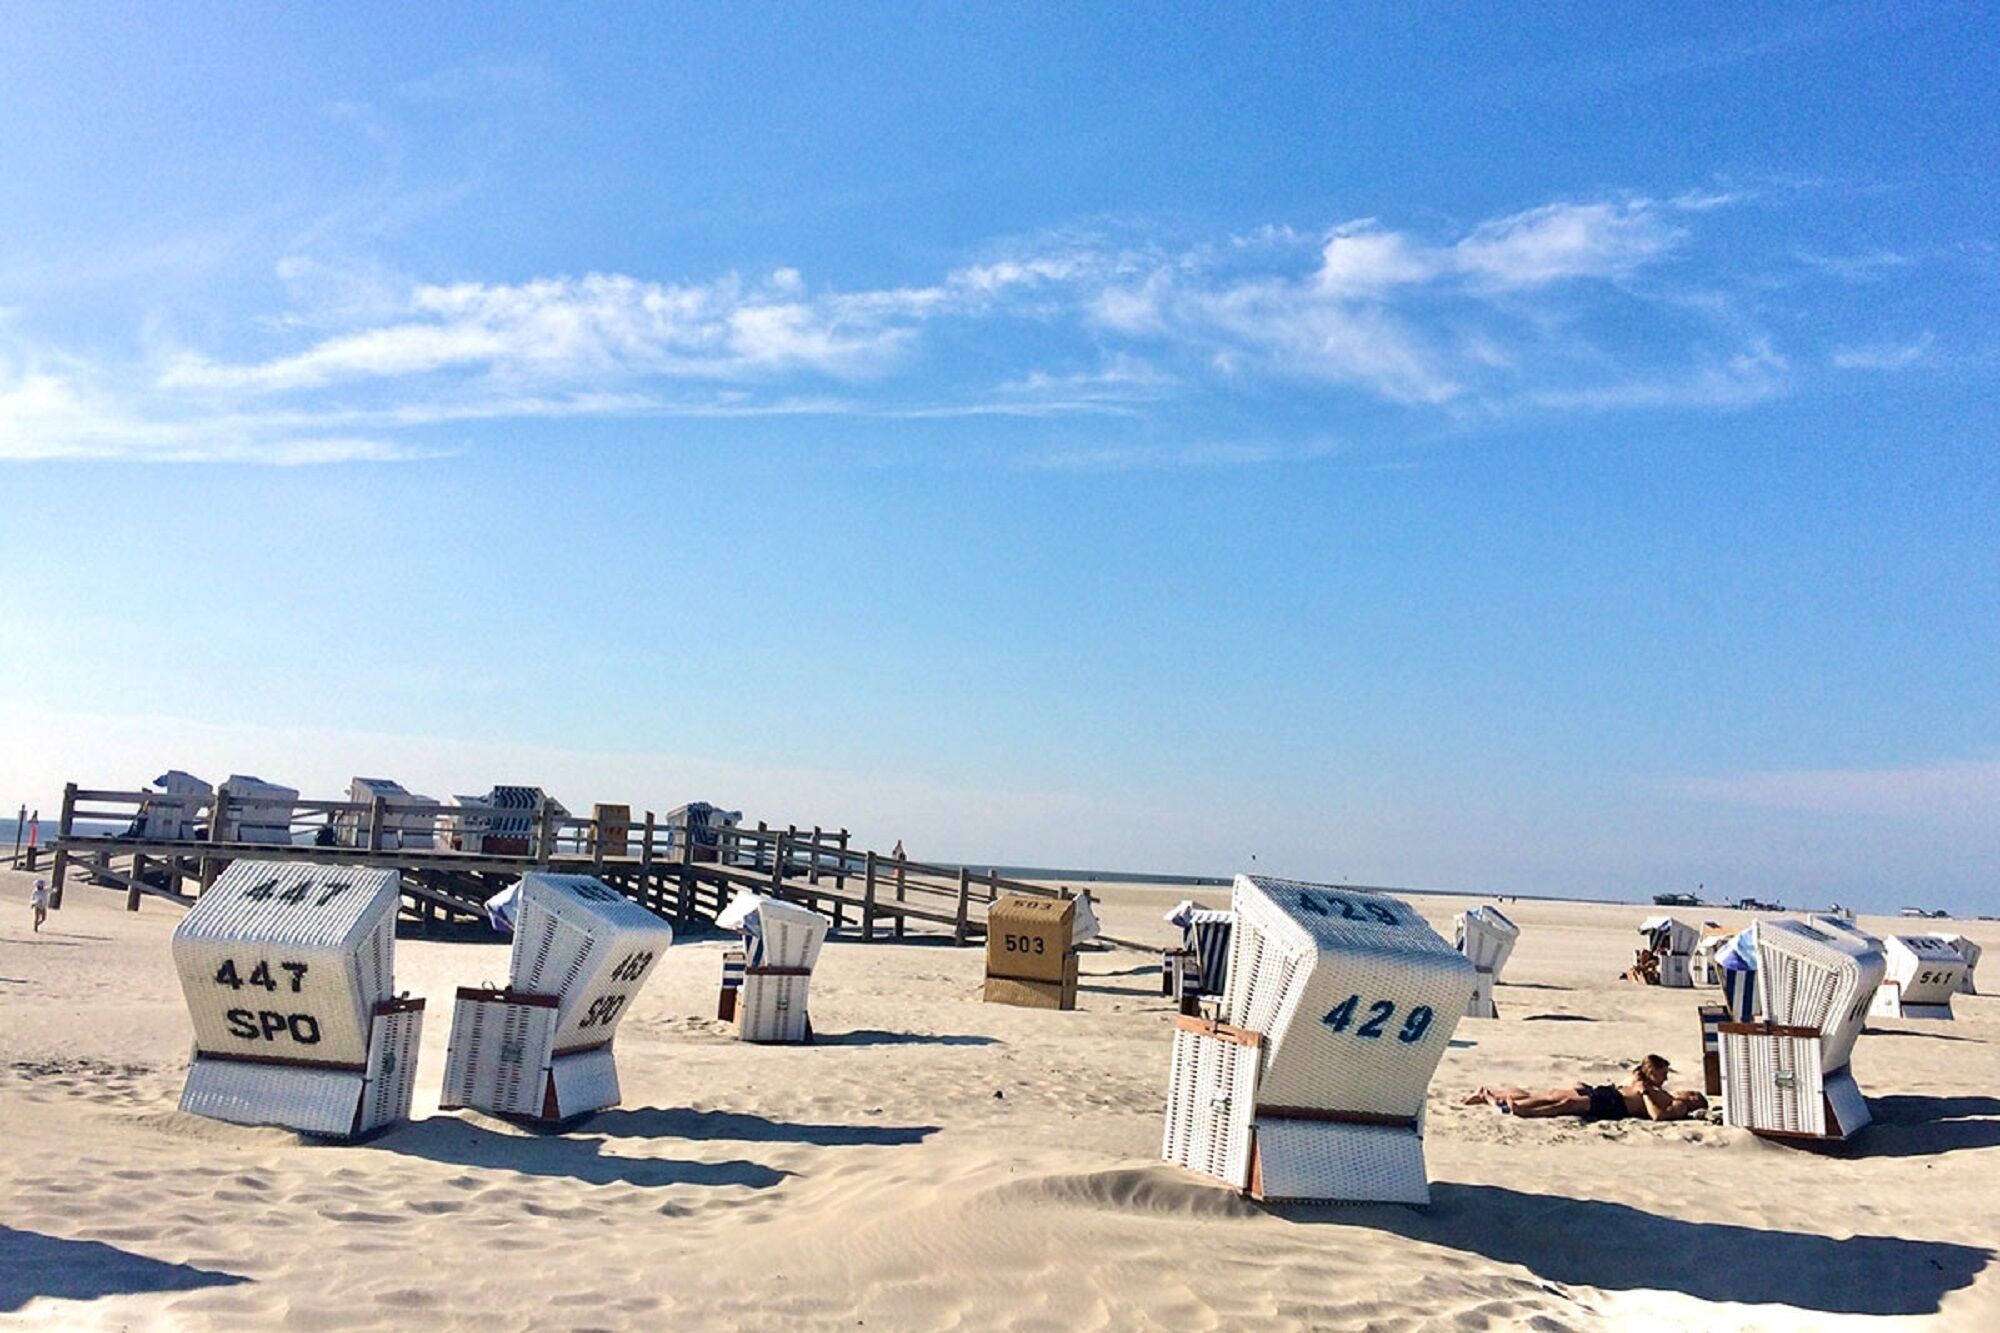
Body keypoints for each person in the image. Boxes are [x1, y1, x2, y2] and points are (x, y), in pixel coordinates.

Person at [1463, 1055, 1708, 1122]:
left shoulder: (1677, 1105)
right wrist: (1639, 1080)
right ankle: (1490, 1096)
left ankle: (1520, 1110)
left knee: (1566, 1105)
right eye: (1662, 1073)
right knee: (1548, 1094)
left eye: (1694, 1095)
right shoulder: (1654, 1085)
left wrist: (1644, 1092)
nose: (1665, 1079)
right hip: (1607, 1092)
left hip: (1615, 1105)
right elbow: (1636, 1074)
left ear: (1694, 1100)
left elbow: (1657, 1116)